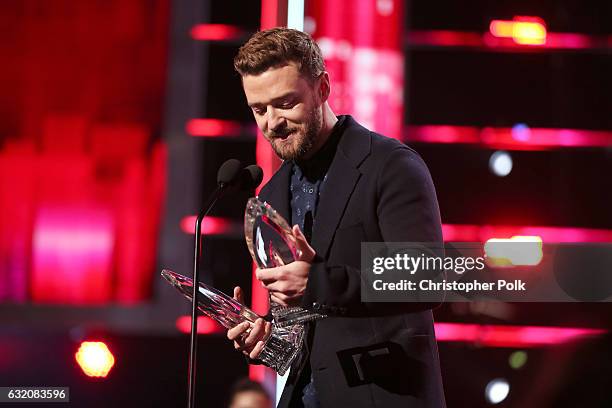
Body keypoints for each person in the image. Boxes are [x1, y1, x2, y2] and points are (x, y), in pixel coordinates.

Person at [226, 28, 446, 407]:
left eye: (285, 103)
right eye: (259, 109)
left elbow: (425, 277)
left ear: (323, 88)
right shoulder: (273, 194)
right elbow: (303, 327)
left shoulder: (390, 166)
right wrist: (267, 339)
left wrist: (318, 281)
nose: (272, 122)